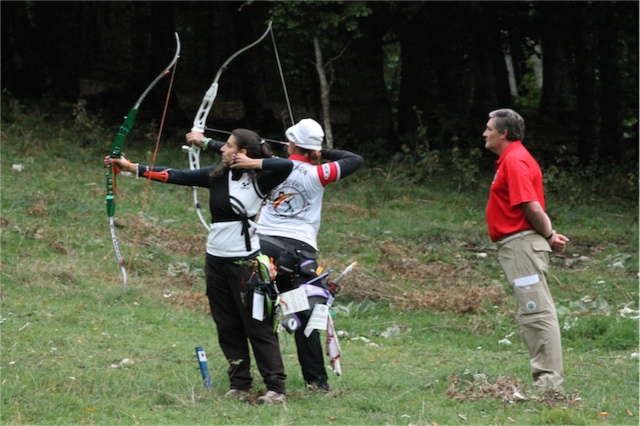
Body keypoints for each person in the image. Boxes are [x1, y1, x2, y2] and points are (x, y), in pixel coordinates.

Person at [106, 129, 293, 405]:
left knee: (257, 325)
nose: (222, 149)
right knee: (226, 323)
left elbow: (286, 164)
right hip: (215, 261)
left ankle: (275, 388)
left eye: (228, 146)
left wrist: (251, 163)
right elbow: (175, 175)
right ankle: (239, 383)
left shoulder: (260, 180)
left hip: (246, 264)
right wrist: (132, 168)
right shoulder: (218, 175)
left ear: (241, 153)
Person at [256, 118, 364, 392]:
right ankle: (316, 383)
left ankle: (261, 380)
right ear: (312, 149)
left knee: (259, 313)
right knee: (301, 315)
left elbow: (237, 151)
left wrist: (203, 140)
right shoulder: (319, 173)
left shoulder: (274, 166)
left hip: (264, 247)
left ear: (291, 142)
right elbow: (354, 159)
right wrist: (320, 152)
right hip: (299, 253)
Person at [482, 108, 569, 392]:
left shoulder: (515, 161)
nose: (485, 133)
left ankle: (548, 384)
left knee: (536, 312)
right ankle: (547, 380)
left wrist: (550, 234)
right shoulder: (511, 159)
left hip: (522, 246)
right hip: (518, 246)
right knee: (533, 311)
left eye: (489, 128)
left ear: (503, 133)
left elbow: (531, 206)